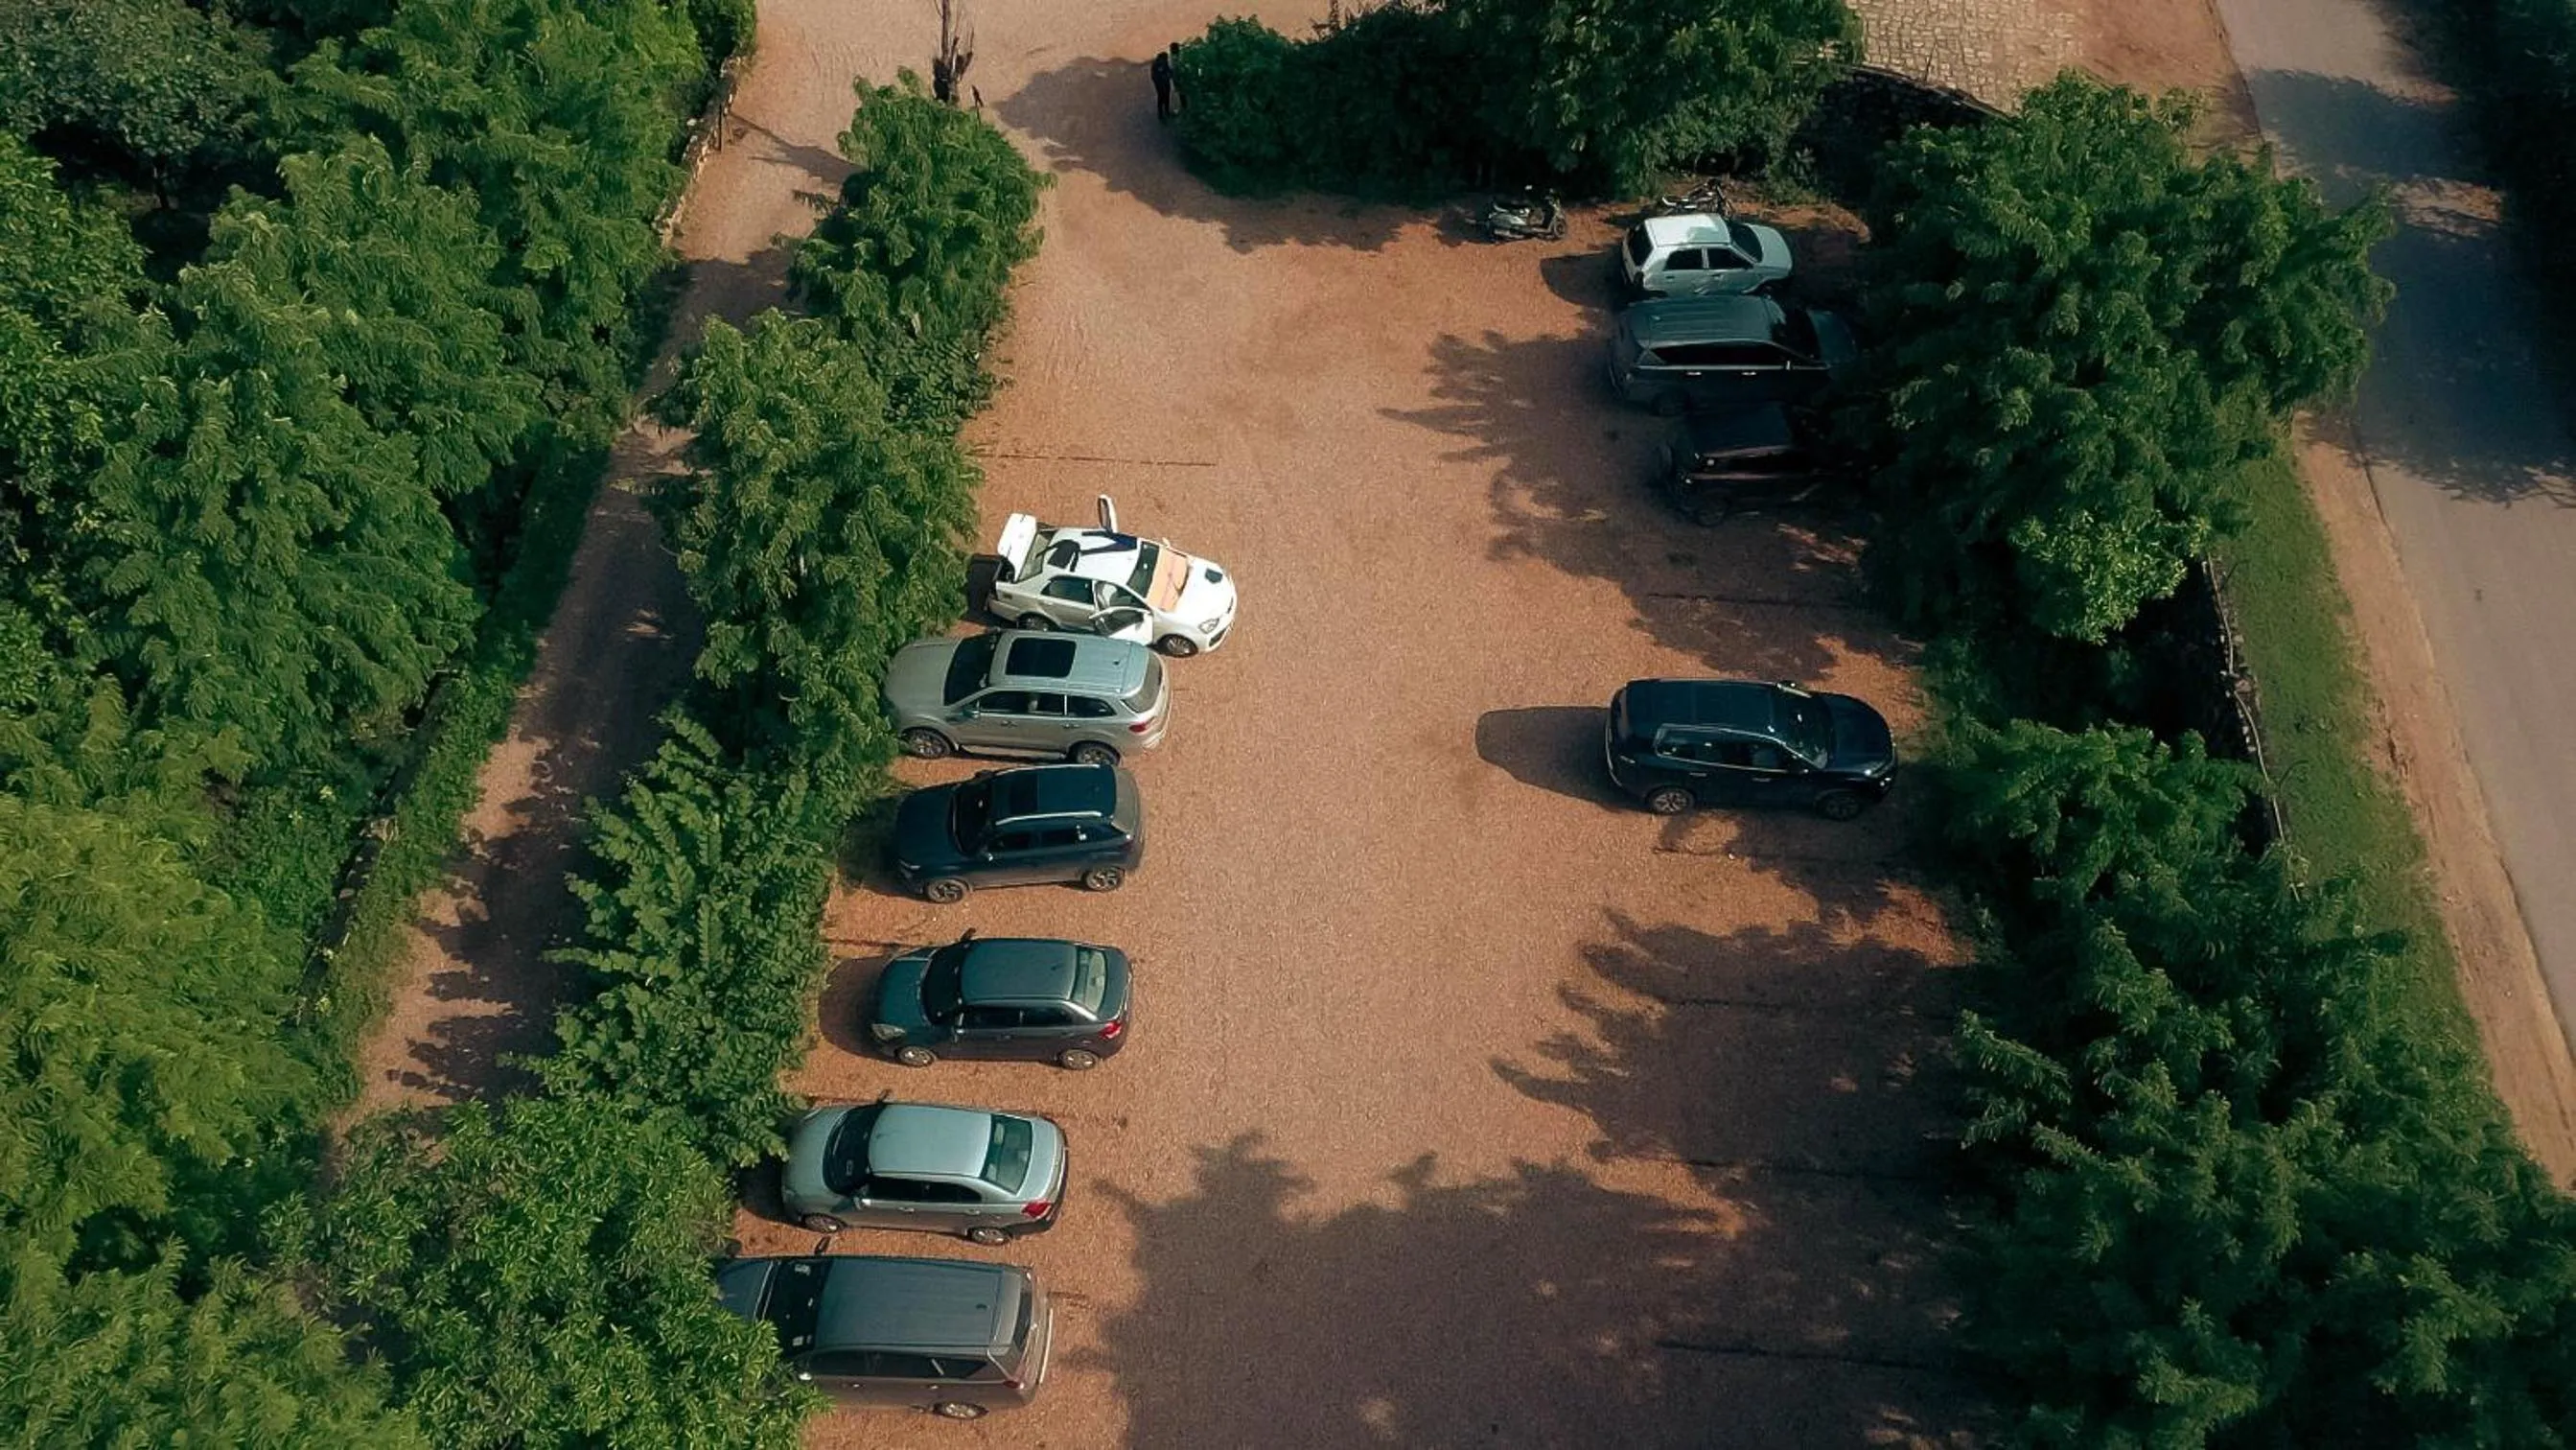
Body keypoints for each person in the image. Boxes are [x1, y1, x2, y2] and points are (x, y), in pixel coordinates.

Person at [1150, 47, 1174, 122]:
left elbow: (1168, 69)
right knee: (1161, 97)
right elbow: (1154, 77)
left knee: (1166, 96)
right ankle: (1160, 114)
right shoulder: (1156, 65)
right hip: (1160, 84)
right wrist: (1163, 78)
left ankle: (1166, 111)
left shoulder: (1164, 62)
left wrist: (1170, 74)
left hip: (1165, 82)